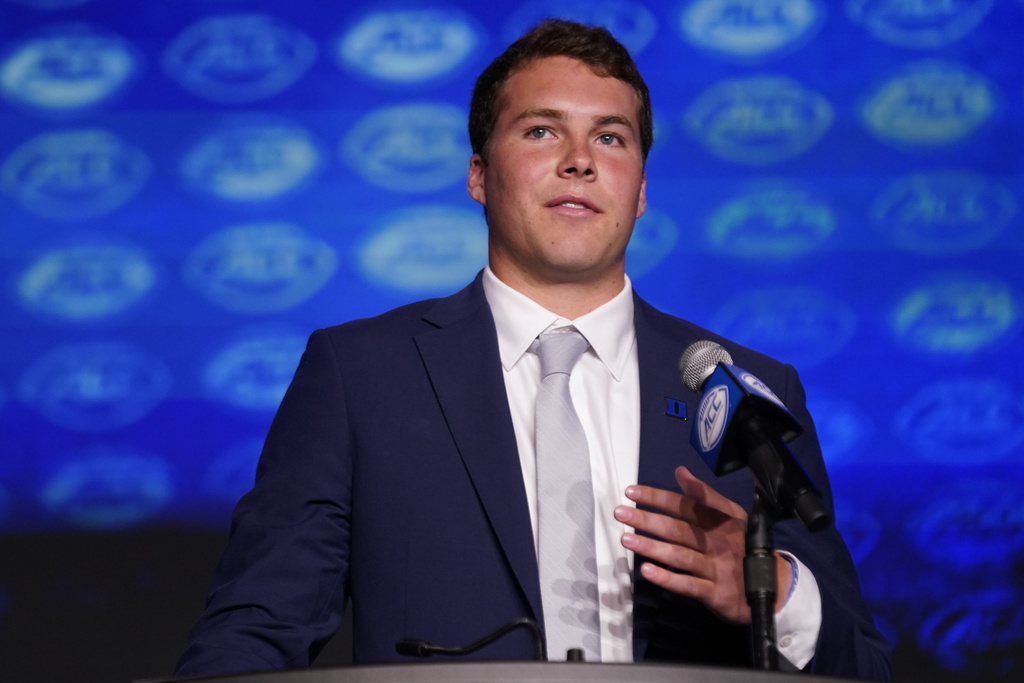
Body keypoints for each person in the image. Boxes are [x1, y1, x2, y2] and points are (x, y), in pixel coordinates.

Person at [176, 20, 890, 679]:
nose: (580, 160)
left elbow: (864, 664)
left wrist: (779, 591)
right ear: (479, 175)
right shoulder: (360, 375)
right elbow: (253, 634)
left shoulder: (747, 391)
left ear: (639, 190)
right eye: (543, 131)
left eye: (611, 138)